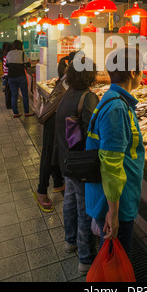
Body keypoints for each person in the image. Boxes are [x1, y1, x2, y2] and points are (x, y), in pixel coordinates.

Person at [85, 46, 145, 260]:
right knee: (115, 259)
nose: (143, 74)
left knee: (113, 255)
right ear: (132, 72)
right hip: (114, 200)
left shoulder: (113, 99)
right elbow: (111, 163)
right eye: (142, 69)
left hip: (115, 197)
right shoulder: (117, 108)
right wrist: (114, 211)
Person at [54, 55, 99, 275]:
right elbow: (93, 131)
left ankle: (69, 241)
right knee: (84, 210)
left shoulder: (67, 94)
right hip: (80, 164)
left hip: (67, 160)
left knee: (70, 202)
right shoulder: (87, 97)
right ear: (89, 75)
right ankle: (85, 259)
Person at [33, 53, 78, 213]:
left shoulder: (68, 75)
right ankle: (41, 191)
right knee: (48, 153)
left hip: (58, 117)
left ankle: (58, 182)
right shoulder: (70, 77)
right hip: (54, 118)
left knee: (55, 150)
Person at [6, 40, 35, 118]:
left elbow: (7, 65)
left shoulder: (9, 53)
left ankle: (15, 113)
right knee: (25, 95)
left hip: (11, 77)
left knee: (14, 95)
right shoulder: (22, 53)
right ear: (20, 46)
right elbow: (27, 64)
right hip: (21, 77)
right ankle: (26, 112)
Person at [2, 42, 12, 108]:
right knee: (8, 91)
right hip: (8, 75)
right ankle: (8, 105)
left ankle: (8, 104)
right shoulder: (8, 55)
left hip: (5, 74)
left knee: (7, 91)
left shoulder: (5, 54)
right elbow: (7, 66)